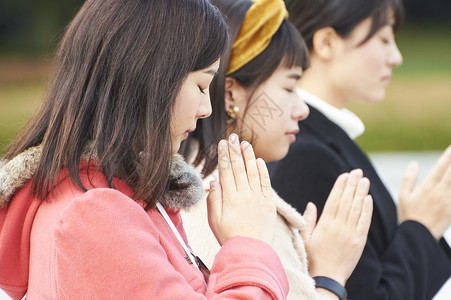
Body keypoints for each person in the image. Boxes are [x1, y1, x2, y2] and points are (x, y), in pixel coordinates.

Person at [0, 0, 295, 298]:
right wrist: (249, 245)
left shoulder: (118, 196)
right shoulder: (94, 216)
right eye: (202, 86)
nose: (206, 109)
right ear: (150, 78)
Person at [180, 0, 373, 299]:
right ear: (231, 92)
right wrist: (330, 276)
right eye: (289, 87)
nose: (302, 110)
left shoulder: (198, 186)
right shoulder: (220, 203)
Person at [268, 0, 451, 299]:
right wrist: (422, 228)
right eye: (383, 39)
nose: (396, 57)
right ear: (327, 42)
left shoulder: (318, 141)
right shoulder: (307, 155)